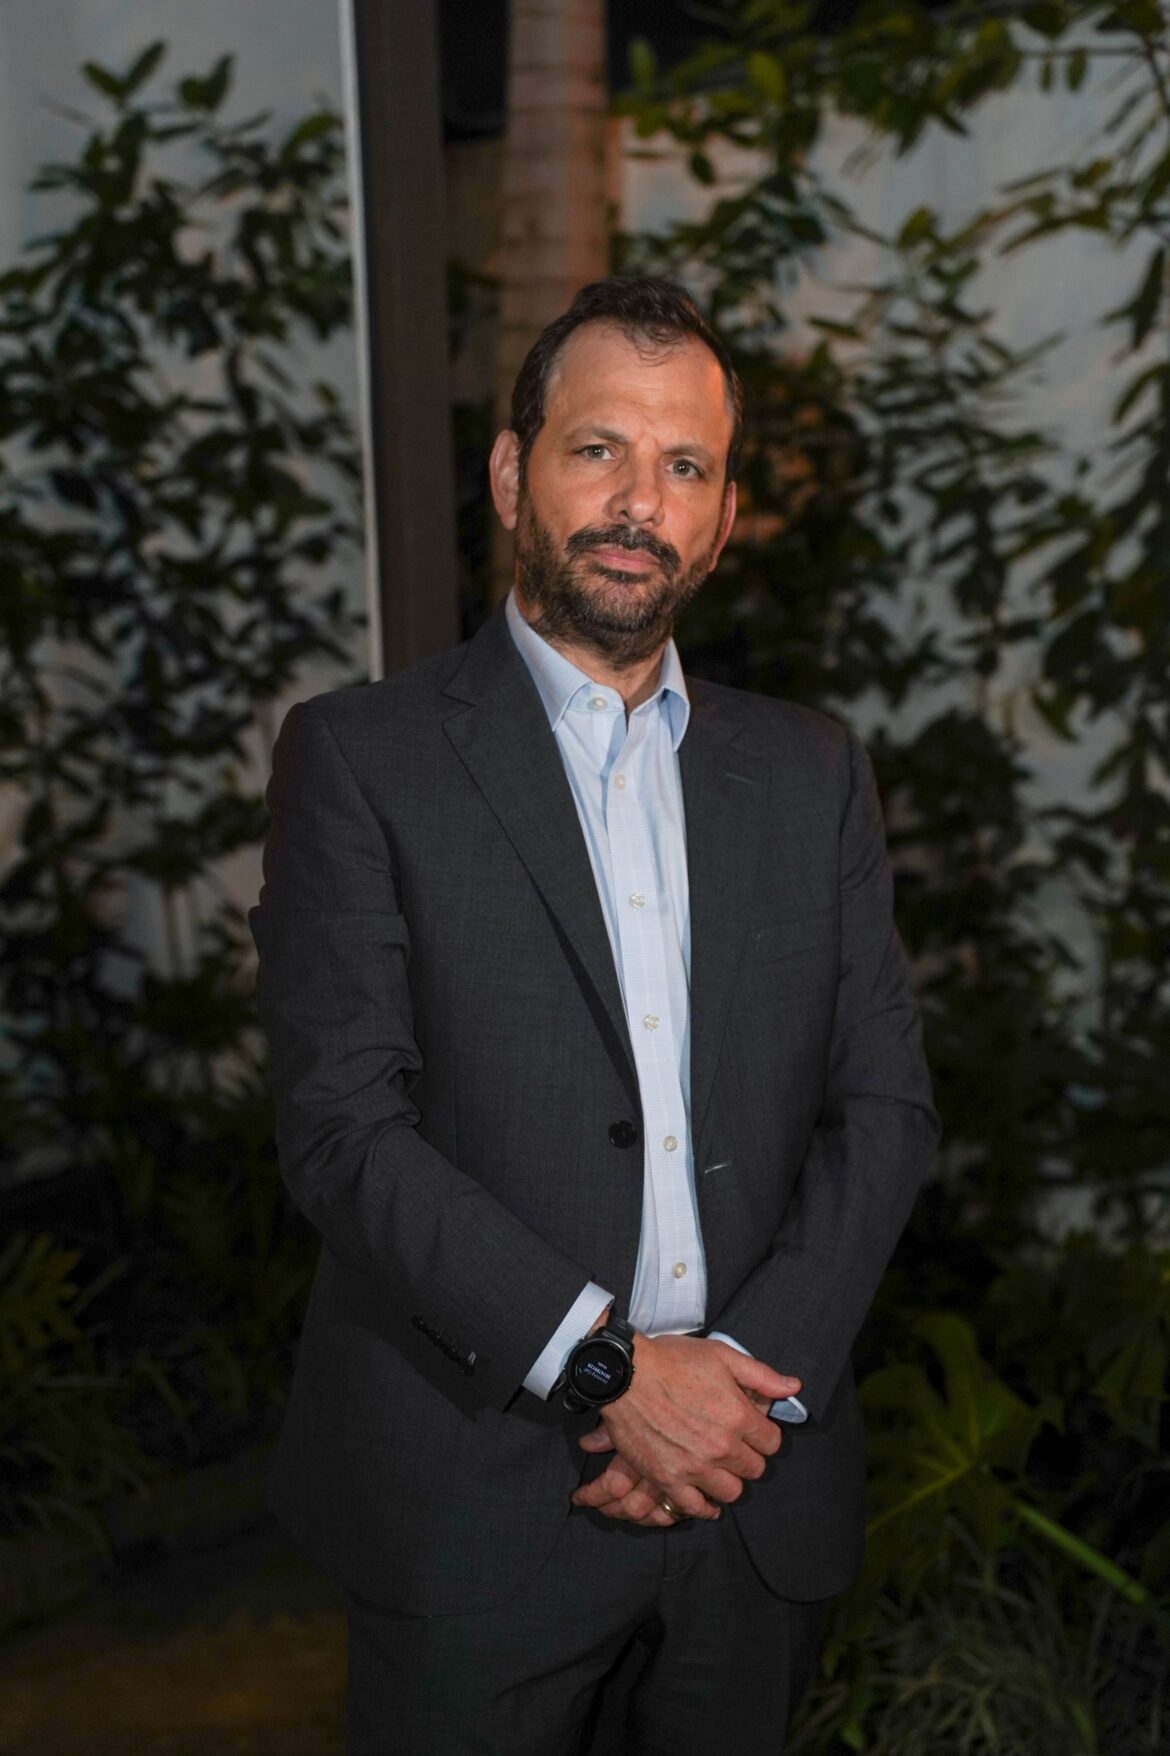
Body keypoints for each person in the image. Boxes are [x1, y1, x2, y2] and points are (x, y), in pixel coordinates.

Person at [249, 276, 939, 1755]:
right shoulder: (361, 761)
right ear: (513, 475)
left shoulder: (811, 772)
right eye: (597, 450)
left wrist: (732, 1396)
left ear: (724, 515)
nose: (638, 502)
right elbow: (345, 1132)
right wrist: (613, 1372)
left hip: (754, 1485)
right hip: (477, 1498)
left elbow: (883, 1111)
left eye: (683, 465)